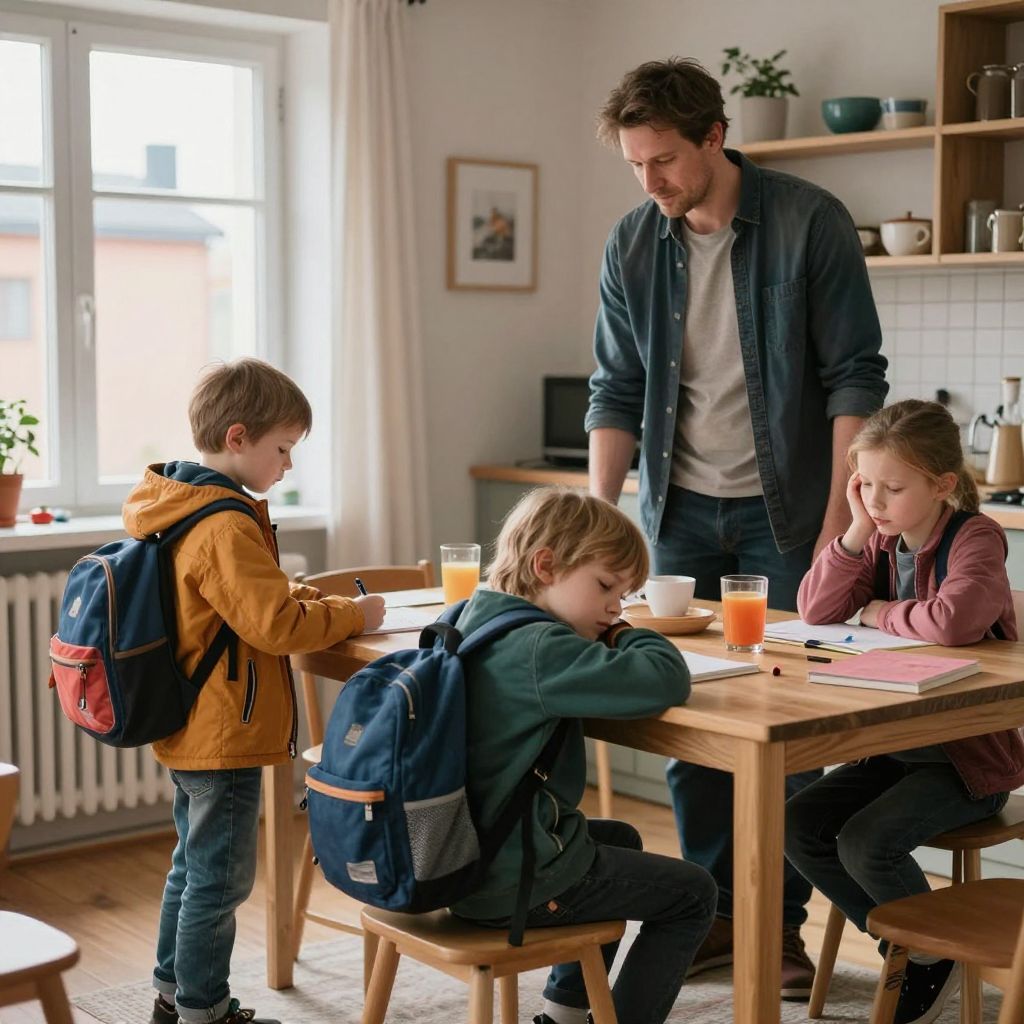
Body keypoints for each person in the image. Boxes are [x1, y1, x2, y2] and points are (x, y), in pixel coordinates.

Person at [585, 56, 889, 995]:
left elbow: (855, 376)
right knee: (689, 722)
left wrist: (842, 518)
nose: (651, 182)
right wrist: (600, 517)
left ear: (715, 137)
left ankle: (780, 929)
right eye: (636, 164)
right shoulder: (635, 242)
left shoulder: (809, 220)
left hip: (791, 514)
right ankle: (716, 918)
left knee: (790, 730)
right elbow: (617, 386)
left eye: (665, 160)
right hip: (675, 516)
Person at [129, 358, 386, 1024]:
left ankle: (171, 993)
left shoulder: (189, 507)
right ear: (238, 438)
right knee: (219, 880)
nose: (288, 466)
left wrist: (314, 598)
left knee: (192, 868)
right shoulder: (225, 524)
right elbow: (275, 626)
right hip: (226, 735)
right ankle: (203, 1009)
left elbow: (249, 602)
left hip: (194, 725)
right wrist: (355, 615)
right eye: (284, 449)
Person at [788, 399, 1023, 1024]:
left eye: (892, 488)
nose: (878, 499)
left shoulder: (976, 537)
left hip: (966, 763)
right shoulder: (878, 541)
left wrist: (873, 614)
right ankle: (917, 952)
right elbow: (813, 610)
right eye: (865, 485)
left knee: (865, 843)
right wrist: (858, 528)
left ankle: (923, 958)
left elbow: (953, 622)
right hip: (892, 751)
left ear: (942, 485)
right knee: (795, 824)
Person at [452, 487, 717, 1024]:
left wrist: (601, 615)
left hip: (460, 860)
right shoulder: (540, 649)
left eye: (625, 596)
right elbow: (666, 678)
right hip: (513, 879)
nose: (616, 606)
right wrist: (625, 631)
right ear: (545, 566)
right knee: (694, 893)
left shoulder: (468, 615)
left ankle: (565, 1015)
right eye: (606, 587)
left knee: (618, 838)